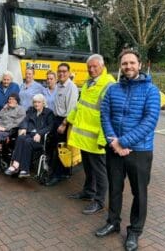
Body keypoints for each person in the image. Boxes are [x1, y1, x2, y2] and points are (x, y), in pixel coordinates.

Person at [95, 49, 160, 251]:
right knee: (115, 188)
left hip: (140, 150)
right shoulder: (112, 89)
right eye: (124, 64)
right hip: (114, 149)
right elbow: (104, 115)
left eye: (132, 63)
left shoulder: (151, 91)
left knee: (139, 193)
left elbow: (149, 121)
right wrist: (113, 141)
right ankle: (113, 222)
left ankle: (134, 231)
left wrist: (123, 142)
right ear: (120, 66)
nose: (128, 67)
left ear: (139, 65)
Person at [66, 54, 116, 215]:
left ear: (102, 66)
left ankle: (99, 201)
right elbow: (81, 106)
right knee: (88, 168)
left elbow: (109, 115)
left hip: (97, 139)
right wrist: (68, 121)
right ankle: (88, 192)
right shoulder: (89, 83)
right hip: (85, 138)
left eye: (95, 66)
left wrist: (103, 139)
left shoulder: (108, 85)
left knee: (100, 172)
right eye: (89, 67)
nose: (92, 69)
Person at [4, 94, 54, 178]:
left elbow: (50, 126)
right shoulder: (31, 110)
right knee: (20, 138)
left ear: (43, 103)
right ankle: (15, 164)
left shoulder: (48, 113)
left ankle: (25, 169)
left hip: (39, 139)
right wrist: (23, 128)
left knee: (27, 141)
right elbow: (25, 120)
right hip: (29, 134)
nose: (36, 104)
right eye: (34, 102)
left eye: (39, 102)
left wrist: (40, 133)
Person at [45, 63, 79, 186]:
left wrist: (64, 124)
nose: (61, 73)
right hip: (56, 119)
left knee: (60, 149)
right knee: (57, 146)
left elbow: (72, 110)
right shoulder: (59, 85)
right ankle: (64, 171)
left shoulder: (72, 87)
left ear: (69, 73)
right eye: (59, 71)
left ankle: (56, 176)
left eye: (64, 71)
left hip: (64, 121)